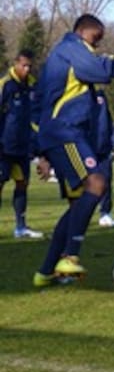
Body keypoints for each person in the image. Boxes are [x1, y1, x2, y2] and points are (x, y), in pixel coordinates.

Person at [32, 14, 114, 287]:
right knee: (97, 183)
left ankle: (46, 271)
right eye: (95, 38)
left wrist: (42, 152)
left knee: (80, 201)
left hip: (64, 134)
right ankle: (70, 257)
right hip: (64, 131)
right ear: (81, 32)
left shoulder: (62, 57)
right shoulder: (71, 48)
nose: (97, 45)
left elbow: (39, 104)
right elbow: (104, 70)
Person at [0, 49, 44, 239]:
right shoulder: (5, 85)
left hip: (23, 147)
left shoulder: (33, 87)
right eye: (24, 65)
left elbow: (37, 116)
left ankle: (21, 226)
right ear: (16, 64)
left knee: (22, 184)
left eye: (29, 66)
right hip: (4, 146)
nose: (27, 69)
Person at [94, 88, 114, 228]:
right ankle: (77, 216)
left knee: (106, 182)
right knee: (82, 184)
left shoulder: (101, 95)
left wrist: (113, 141)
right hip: (86, 148)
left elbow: (108, 121)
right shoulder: (78, 94)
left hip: (103, 149)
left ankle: (105, 214)